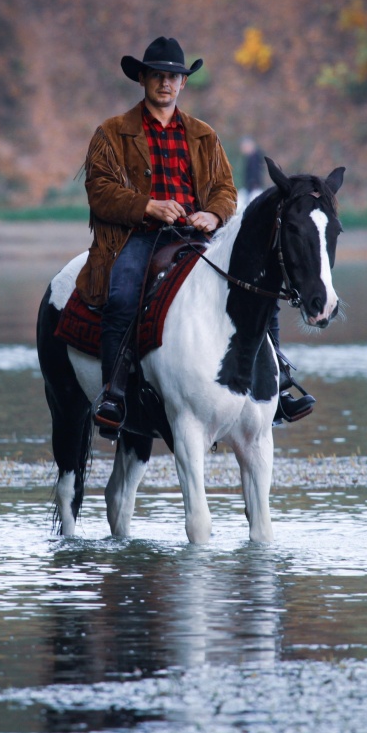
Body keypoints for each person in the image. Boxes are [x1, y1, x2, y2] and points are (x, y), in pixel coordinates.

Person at [79, 35, 315, 434]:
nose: (166, 83)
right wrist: (147, 206)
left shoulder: (203, 134)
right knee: (121, 295)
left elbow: (226, 188)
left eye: (174, 76)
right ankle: (113, 393)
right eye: (157, 75)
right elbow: (99, 190)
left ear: (183, 83)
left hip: (195, 237)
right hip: (139, 236)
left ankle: (278, 384)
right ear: (142, 79)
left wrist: (214, 213)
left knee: (260, 291)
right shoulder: (112, 132)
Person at [239, 136, 265, 207]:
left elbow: (255, 174)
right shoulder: (251, 158)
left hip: (254, 189)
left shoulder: (255, 158)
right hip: (249, 188)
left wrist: (253, 185)